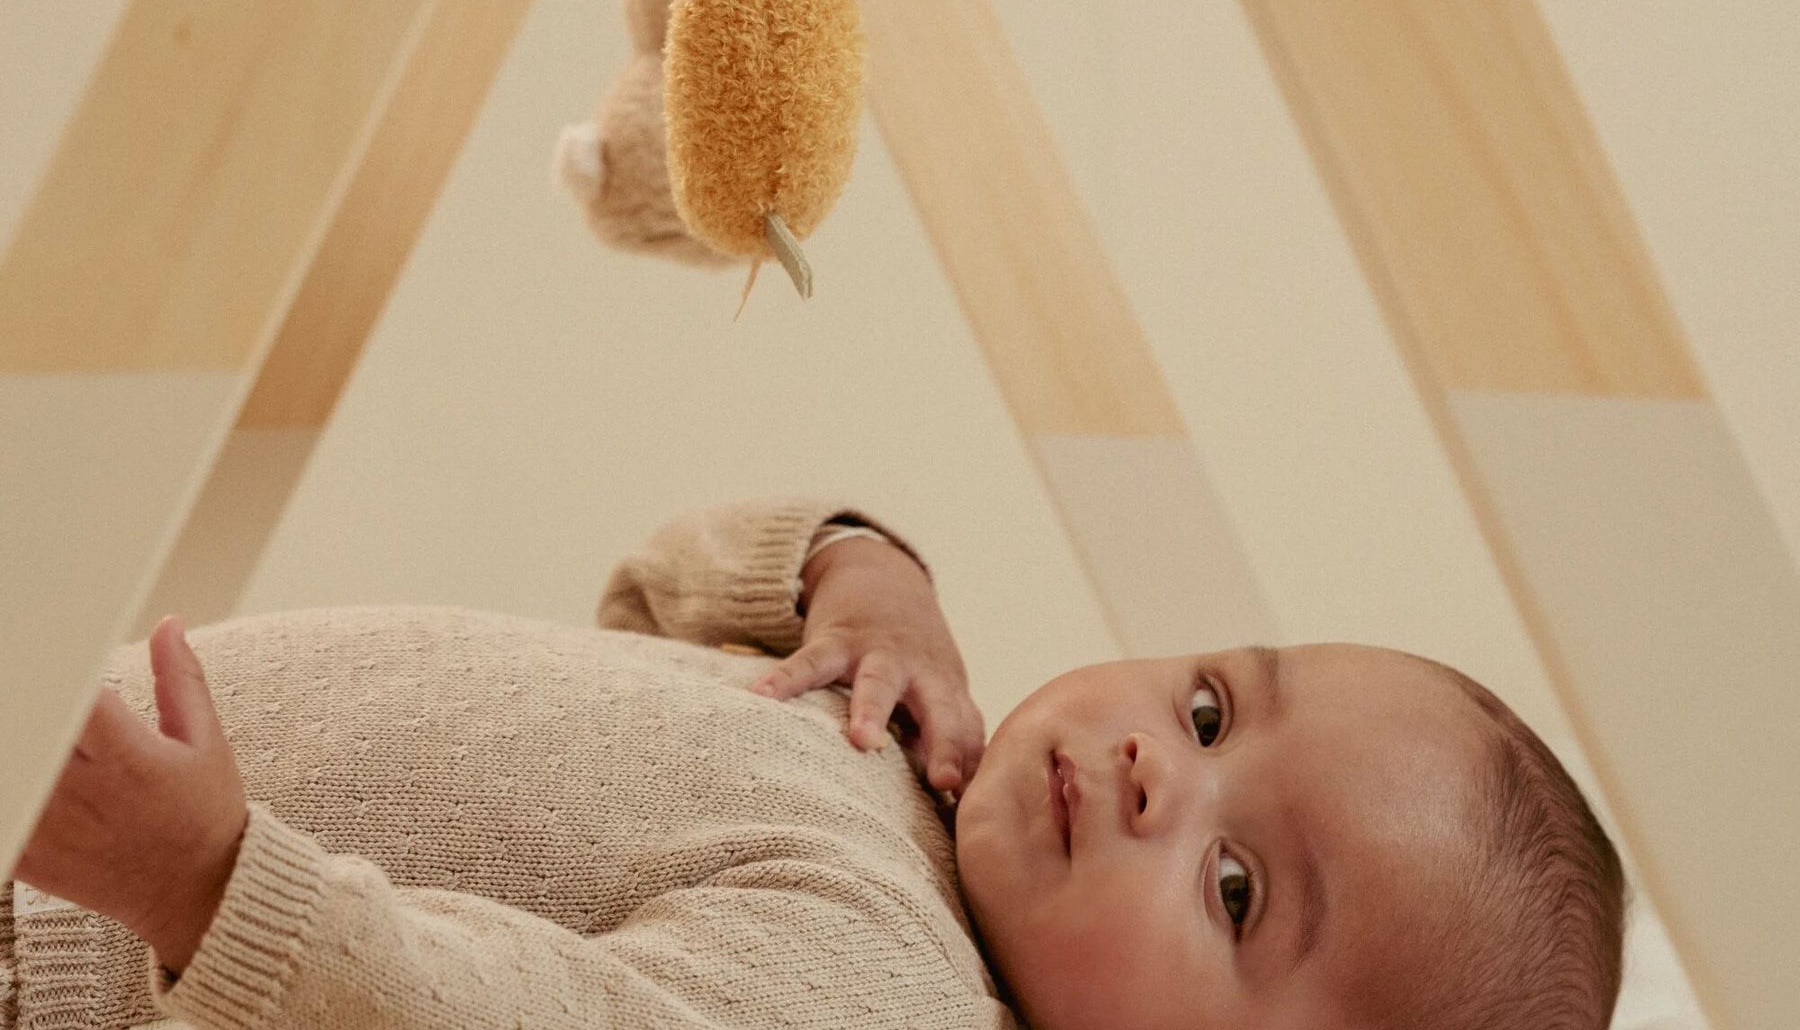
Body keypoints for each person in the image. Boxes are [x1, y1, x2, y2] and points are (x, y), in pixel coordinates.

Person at [4, 498, 1626, 1030]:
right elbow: (646, 593)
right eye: (1211, 713)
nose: (1155, 770)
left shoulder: (891, 996)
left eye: (1239, 888)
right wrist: (855, 571)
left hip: (60, 936)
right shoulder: (919, 744)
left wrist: (202, 883)